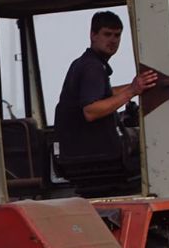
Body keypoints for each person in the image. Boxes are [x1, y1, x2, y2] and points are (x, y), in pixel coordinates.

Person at [53, 10, 159, 162]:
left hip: (78, 149)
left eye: (117, 35)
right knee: (151, 141)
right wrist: (131, 91)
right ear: (93, 35)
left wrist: (139, 84)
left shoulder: (85, 63)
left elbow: (105, 94)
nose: (113, 40)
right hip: (92, 152)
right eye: (107, 34)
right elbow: (91, 111)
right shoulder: (92, 67)